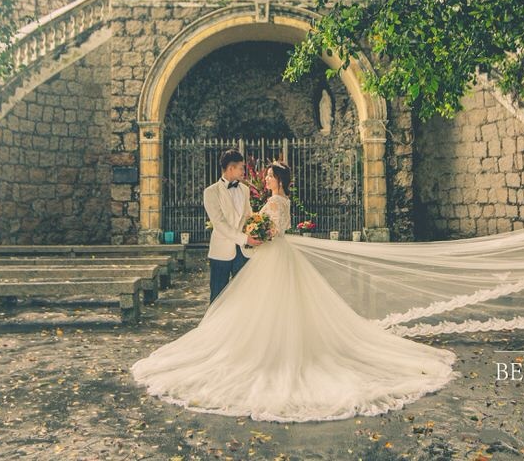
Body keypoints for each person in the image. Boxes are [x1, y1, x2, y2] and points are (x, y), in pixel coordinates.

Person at [131, 161, 459, 423]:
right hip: (268, 254)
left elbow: (271, 230)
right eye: (264, 174)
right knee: (270, 304)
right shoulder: (277, 200)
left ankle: (267, 350)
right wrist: (252, 231)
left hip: (270, 254)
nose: (264, 178)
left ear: (277, 180)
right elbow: (258, 226)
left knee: (267, 303)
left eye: (269, 175)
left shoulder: (274, 201)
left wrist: (255, 233)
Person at [202, 149, 262, 303]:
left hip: (243, 252)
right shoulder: (211, 192)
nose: (244, 171)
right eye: (241, 168)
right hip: (221, 252)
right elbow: (219, 223)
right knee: (217, 296)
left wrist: (258, 228)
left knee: (244, 296)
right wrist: (245, 238)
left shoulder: (245, 190)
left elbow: (248, 216)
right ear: (230, 168)